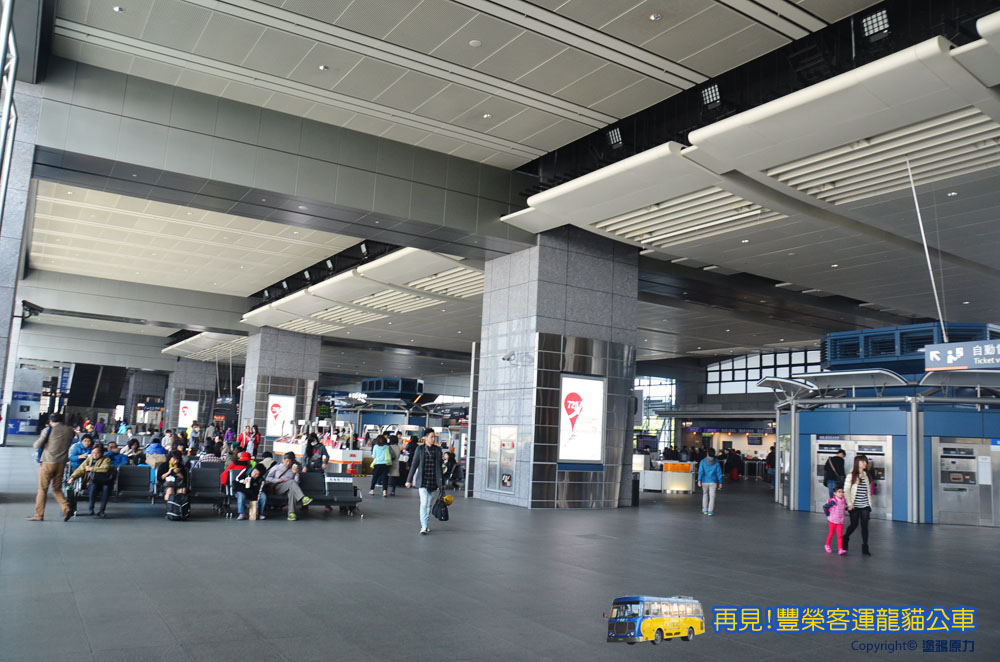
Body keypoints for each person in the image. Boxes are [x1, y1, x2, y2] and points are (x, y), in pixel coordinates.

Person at [28, 413, 75, 522]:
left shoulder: (48, 430)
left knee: (42, 489)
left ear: (50, 420)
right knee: (57, 488)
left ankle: (39, 515)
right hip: (61, 463)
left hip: (48, 462)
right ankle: (66, 507)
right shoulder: (69, 430)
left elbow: (37, 445)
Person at [405, 430, 444, 534]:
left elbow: (439, 468)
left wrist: (442, 483)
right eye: (431, 437)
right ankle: (424, 526)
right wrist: (409, 480)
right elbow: (414, 465)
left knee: (429, 504)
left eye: (434, 437)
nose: (433, 439)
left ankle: (425, 524)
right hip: (422, 481)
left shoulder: (437, 450)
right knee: (424, 503)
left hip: (433, 481)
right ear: (425, 438)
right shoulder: (420, 449)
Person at [264, 452, 313, 521]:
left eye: (290, 462)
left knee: (292, 491)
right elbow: (267, 478)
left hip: (288, 487)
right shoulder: (277, 467)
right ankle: (303, 498)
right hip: (277, 487)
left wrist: (296, 473)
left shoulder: (292, 470)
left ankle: (291, 514)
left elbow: (296, 483)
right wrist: (278, 480)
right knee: (291, 482)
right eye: (287, 461)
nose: (288, 463)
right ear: (283, 460)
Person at [69, 443, 114, 518]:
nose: (95, 455)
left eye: (97, 453)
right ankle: (91, 509)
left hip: (104, 481)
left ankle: (102, 511)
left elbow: (105, 468)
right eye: (93, 453)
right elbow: (80, 469)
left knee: (106, 489)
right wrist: (73, 477)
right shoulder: (89, 459)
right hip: (93, 480)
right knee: (93, 487)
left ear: (102, 453)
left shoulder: (106, 459)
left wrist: (91, 469)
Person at [843, 454, 874, 556]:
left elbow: (867, 491)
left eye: (865, 462)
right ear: (857, 463)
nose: (865, 463)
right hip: (854, 505)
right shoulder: (851, 475)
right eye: (862, 461)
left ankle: (865, 547)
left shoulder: (867, 475)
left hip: (865, 505)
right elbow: (846, 490)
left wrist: (869, 504)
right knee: (854, 525)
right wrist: (849, 504)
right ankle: (845, 538)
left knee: (865, 526)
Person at [697, 448, 723, 516]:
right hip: (713, 481)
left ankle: (705, 509)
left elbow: (700, 472)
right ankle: (710, 511)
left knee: (705, 494)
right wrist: (720, 482)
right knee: (712, 497)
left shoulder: (703, 461)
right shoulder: (716, 462)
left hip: (704, 481)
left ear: (707, 453)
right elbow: (719, 473)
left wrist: (699, 480)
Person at [823, 486, 848, 555]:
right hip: (832, 521)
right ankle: (827, 545)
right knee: (831, 534)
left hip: (840, 521)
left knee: (839, 536)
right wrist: (828, 515)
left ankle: (840, 549)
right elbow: (825, 507)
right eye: (839, 492)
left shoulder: (844, 500)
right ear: (835, 493)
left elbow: (844, 508)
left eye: (842, 492)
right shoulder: (833, 501)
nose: (841, 493)